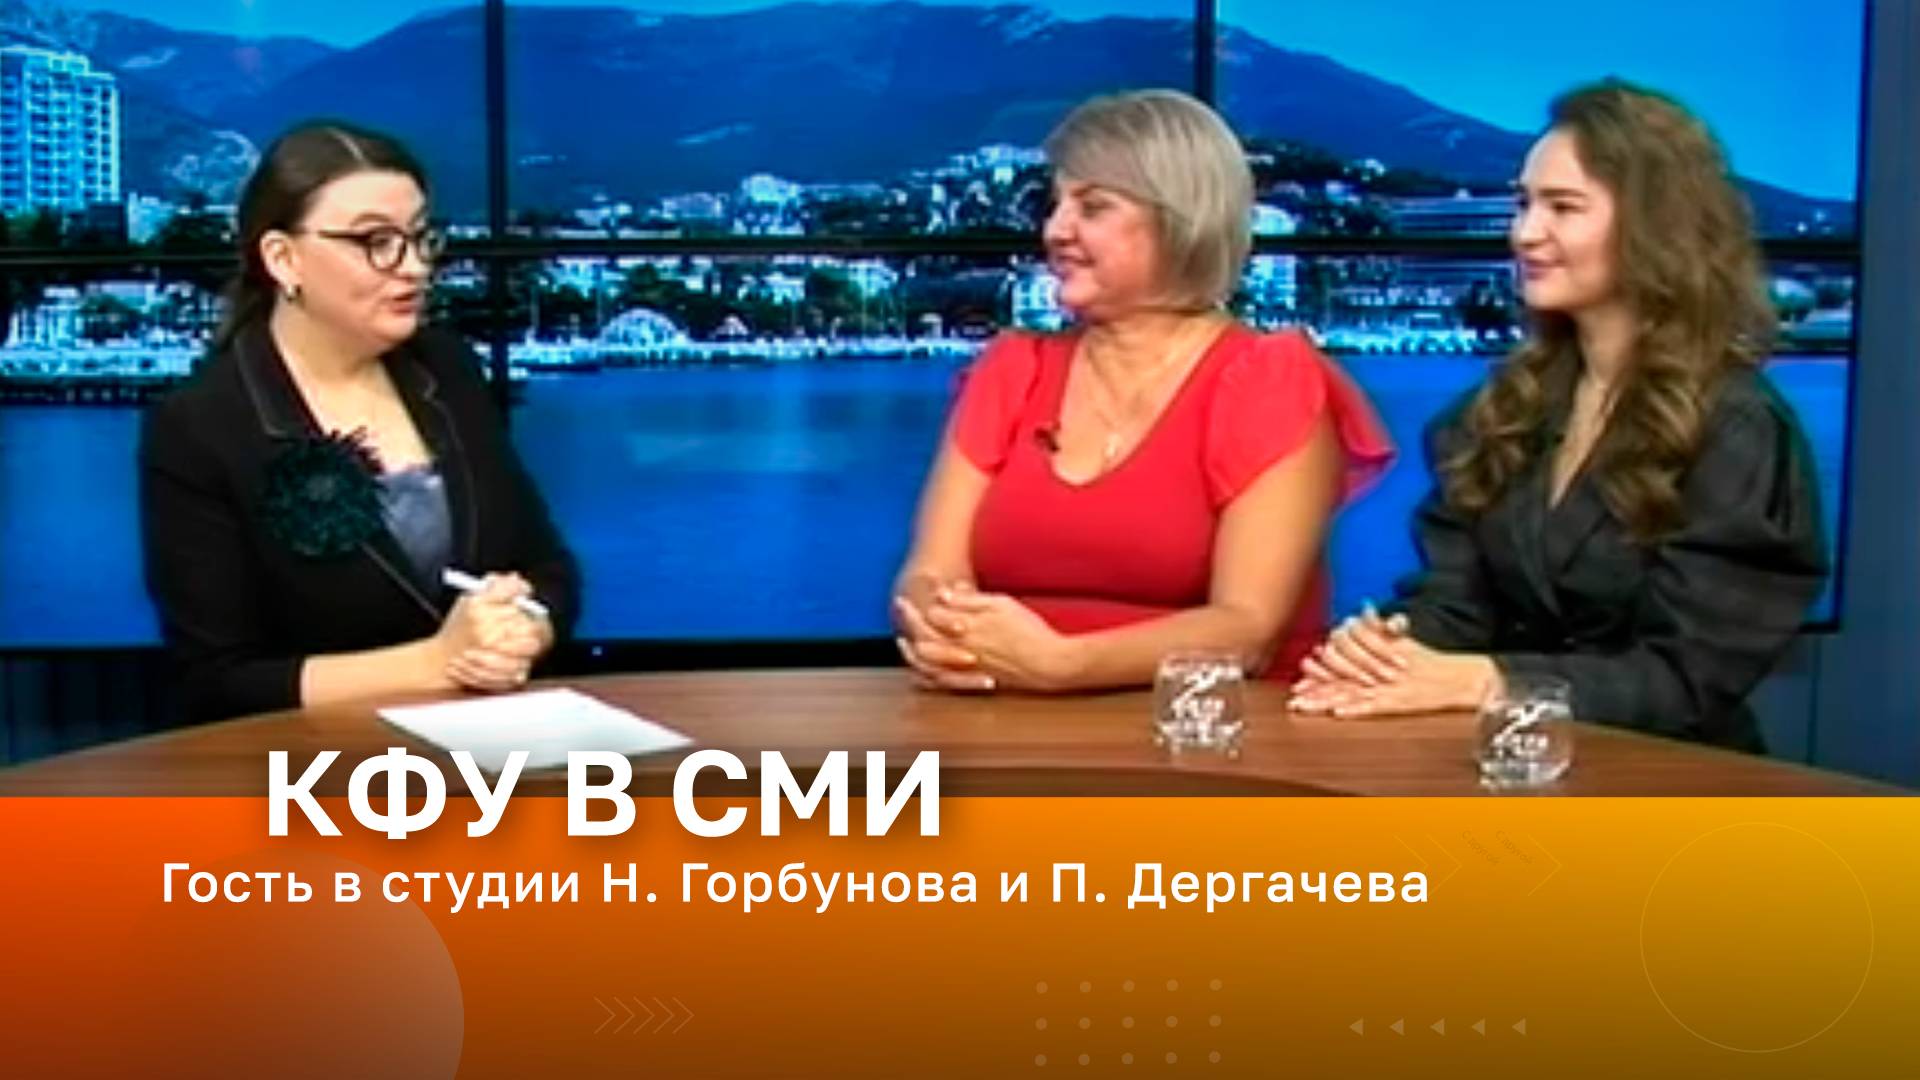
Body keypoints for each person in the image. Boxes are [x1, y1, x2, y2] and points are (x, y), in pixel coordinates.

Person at [1290, 81, 1828, 751]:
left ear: (1655, 228)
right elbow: (1457, 604)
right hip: (1508, 765)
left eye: (1563, 207)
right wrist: (1388, 652)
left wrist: (1487, 681)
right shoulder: (1497, 412)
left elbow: (1689, 679)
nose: (1525, 233)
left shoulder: (1739, 428)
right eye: (1524, 203)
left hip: (1672, 781)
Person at [893, 89, 1392, 693]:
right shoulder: (1012, 368)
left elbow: (1247, 630)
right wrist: (939, 625)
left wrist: (1064, 664)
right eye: (1054, 205)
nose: (1055, 230)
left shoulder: (1266, 381)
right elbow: (931, 570)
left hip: (1209, 728)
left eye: (1092, 208)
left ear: (1181, 221)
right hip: (997, 714)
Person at [140, 122, 579, 722]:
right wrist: (435, 662)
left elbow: (548, 569)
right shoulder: (200, 425)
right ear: (283, 258)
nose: (414, 266)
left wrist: (527, 631)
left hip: (493, 749)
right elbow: (217, 681)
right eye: (377, 241)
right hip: (314, 766)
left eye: (420, 237)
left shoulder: (448, 368)